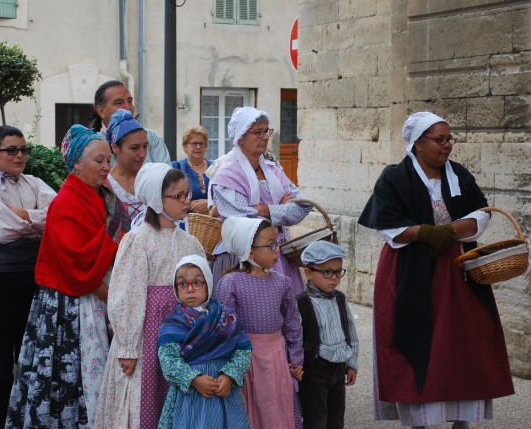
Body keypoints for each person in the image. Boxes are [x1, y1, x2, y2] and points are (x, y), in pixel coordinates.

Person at [358, 112, 514, 429]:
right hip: (410, 272)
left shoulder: (458, 176)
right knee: (417, 338)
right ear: (417, 143)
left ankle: (462, 420)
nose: (446, 146)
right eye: (439, 139)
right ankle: (419, 421)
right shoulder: (394, 178)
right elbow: (387, 225)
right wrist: (426, 234)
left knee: (465, 341)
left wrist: (451, 231)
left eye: (449, 139)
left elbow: (481, 214)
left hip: (457, 271)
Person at [6, 125, 128, 428]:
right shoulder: (65, 204)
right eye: (98, 161)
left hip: (96, 296)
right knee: (70, 381)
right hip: (69, 309)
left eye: (108, 160)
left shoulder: (104, 197)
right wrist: (116, 300)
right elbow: (78, 270)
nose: (106, 167)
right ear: (76, 163)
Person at [94, 163, 206, 429]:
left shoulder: (190, 243)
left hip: (181, 334)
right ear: (157, 198)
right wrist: (128, 347)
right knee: (144, 396)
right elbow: (127, 296)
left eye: (187, 194)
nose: (185, 201)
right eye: (177, 196)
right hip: (146, 335)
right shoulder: (138, 240)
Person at [0, 125, 56, 429]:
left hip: (35, 279)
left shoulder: (33, 182)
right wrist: (36, 222)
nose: (19, 155)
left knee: (32, 359)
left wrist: (24, 216)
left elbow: (58, 213)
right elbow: (4, 232)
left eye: (23, 149)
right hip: (1, 282)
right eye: (11, 150)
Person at [208, 106, 310, 294]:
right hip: (244, 259)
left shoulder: (273, 170)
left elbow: (303, 206)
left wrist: (267, 211)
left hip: (278, 254)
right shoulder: (227, 175)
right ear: (241, 137)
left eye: (266, 131)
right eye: (258, 132)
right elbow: (242, 221)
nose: (265, 137)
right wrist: (280, 208)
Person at [215, 216, 304, 429]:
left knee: (277, 408)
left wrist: (296, 358)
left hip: (276, 359)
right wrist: (228, 366)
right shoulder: (231, 282)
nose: (277, 250)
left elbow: (292, 323)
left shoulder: (282, 282)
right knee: (251, 409)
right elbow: (224, 329)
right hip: (246, 360)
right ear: (250, 251)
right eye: (271, 245)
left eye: (278, 244)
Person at [156, 255, 252, 429]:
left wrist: (229, 376)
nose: (190, 289)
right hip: (190, 396)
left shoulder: (227, 318)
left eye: (197, 283)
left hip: (223, 393)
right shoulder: (172, 324)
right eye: (183, 284)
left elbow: (243, 350)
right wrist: (193, 379)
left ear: (208, 283)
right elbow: (168, 361)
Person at [296, 241, 359, 429]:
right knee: (316, 418)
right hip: (314, 370)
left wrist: (352, 364)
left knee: (336, 417)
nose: (334, 278)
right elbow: (296, 338)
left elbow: (350, 332)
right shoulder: (302, 302)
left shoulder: (339, 298)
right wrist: (296, 365)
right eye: (327, 272)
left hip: (338, 369)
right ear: (308, 272)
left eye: (338, 271)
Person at [90, 79, 171, 165]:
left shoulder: (150, 137)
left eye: (129, 101)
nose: (128, 107)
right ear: (101, 111)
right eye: (119, 103)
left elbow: (167, 175)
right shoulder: (93, 144)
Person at [171, 126, 213, 214]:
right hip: (185, 222)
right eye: (194, 143)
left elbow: (225, 197)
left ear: (206, 146)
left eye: (201, 144)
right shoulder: (177, 168)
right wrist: (190, 205)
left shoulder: (215, 167)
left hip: (214, 223)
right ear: (185, 146)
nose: (198, 147)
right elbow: (169, 197)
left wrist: (209, 204)